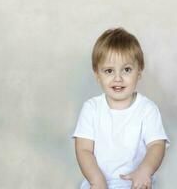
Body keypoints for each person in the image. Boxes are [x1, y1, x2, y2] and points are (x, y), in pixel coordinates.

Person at [72, 28, 170, 189]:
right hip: (98, 183)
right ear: (97, 74)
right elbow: (83, 149)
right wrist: (96, 179)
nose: (118, 78)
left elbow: (156, 145)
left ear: (139, 72)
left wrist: (145, 170)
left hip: (136, 183)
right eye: (109, 71)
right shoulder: (91, 109)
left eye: (127, 70)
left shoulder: (147, 109)